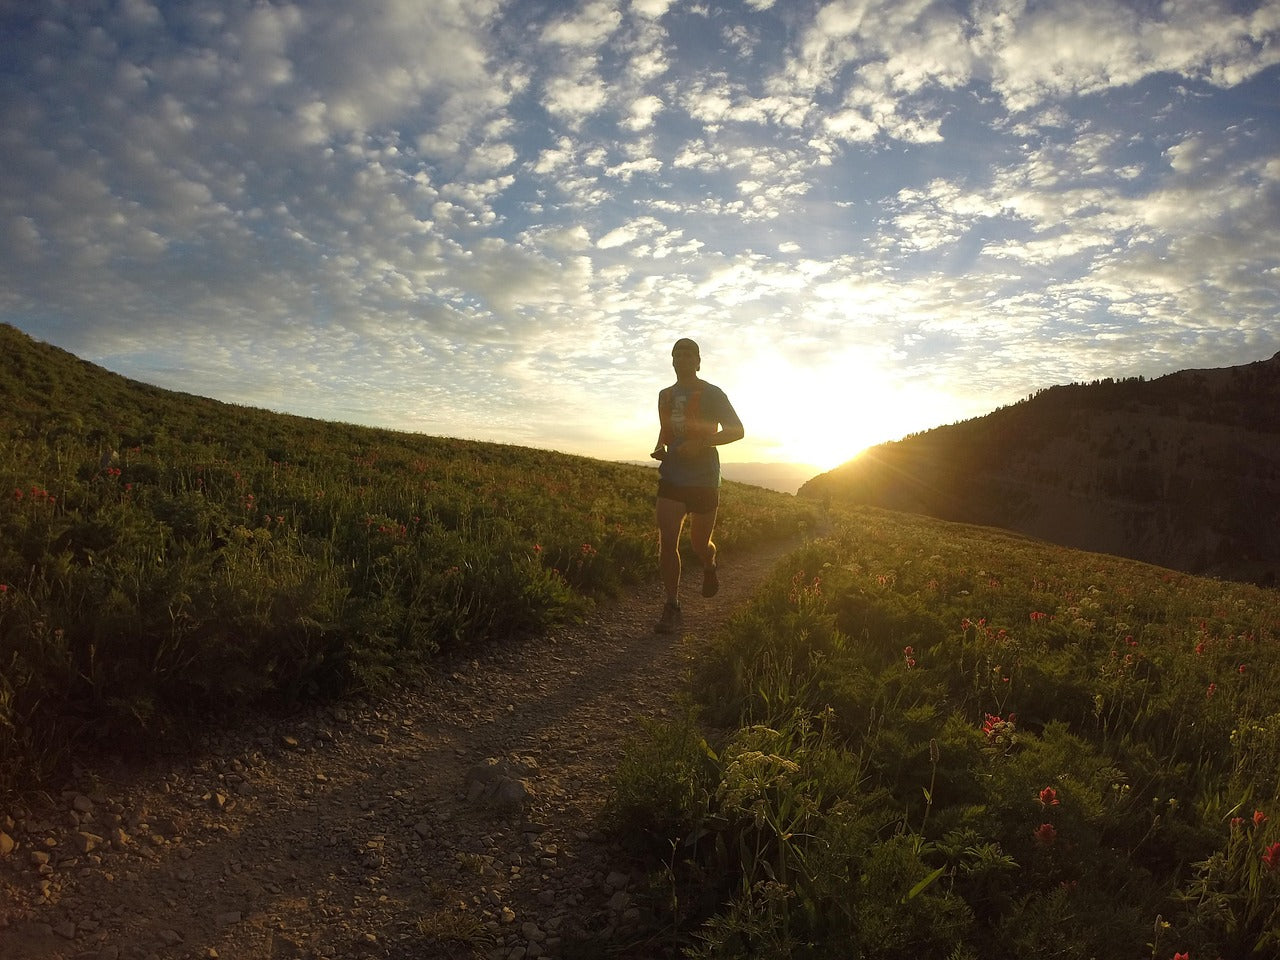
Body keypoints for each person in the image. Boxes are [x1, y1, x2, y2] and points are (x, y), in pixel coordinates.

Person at [650, 338, 744, 633]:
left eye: (689, 354)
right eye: (677, 354)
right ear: (673, 361)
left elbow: (737, 430)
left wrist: (701, 442)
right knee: (667, 541)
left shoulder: (712, 393)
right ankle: (672, 604)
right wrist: (659, 447)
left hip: (704, 479)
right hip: (673, 476)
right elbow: (667, 429)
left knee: (699, 544)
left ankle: (709, 564)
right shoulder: (664, 395)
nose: (682, 358)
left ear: (698, 361)